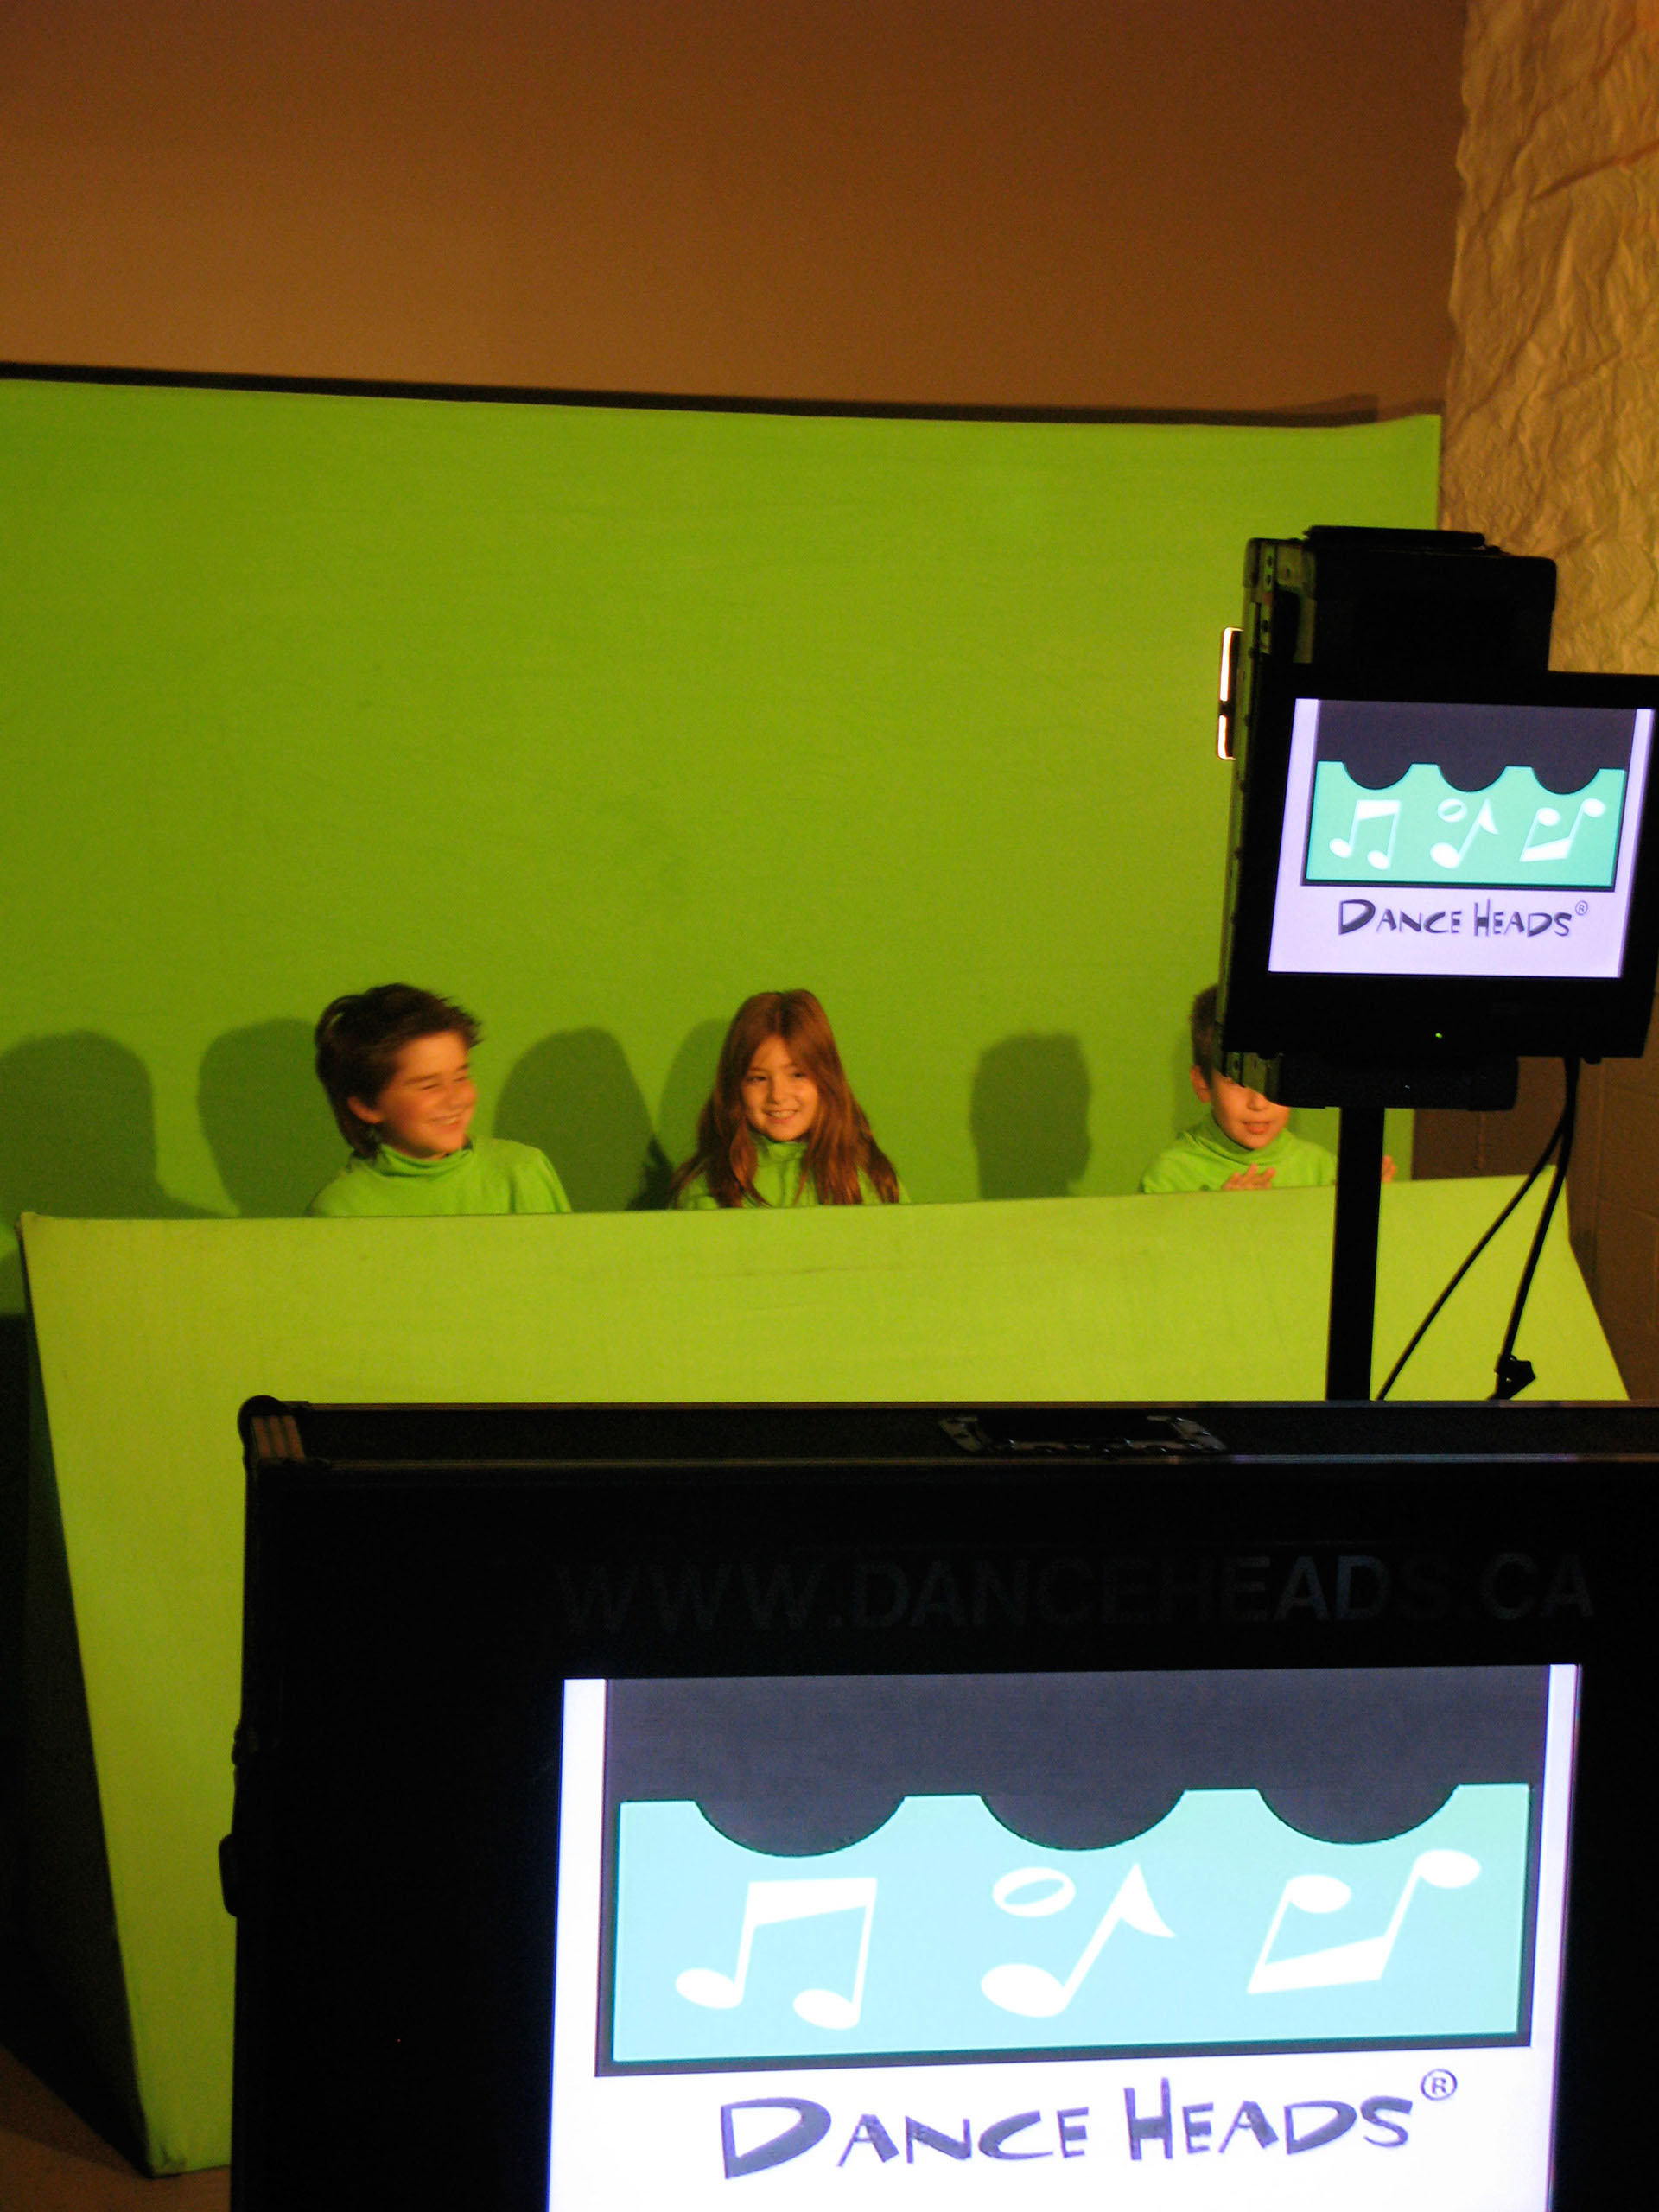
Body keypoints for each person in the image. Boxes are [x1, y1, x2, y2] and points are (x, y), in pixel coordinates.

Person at [308, 984, 571, 1216]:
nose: (455, 1099)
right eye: (429, 1085)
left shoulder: (521, 1172)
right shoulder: (340, 1208)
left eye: (460, 1077)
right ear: (367, 1106)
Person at [1141, 985, 1390, 1192]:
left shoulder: (1324, 1171)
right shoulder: (1170, 1177)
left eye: (1274, 1076)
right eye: (1238, 1081)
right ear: (1202, 1083)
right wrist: (1217, 1217)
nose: (1259, 1103)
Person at [672, 990, 906, 1208]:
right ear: (735, 1087)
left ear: (826, 1079)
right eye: (758, 1079)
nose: (778, 1095)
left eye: (797, 1075)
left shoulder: (866, 1180)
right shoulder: (706, 1189)